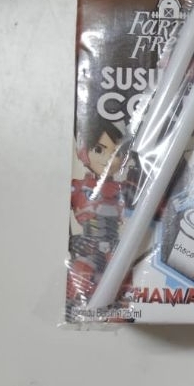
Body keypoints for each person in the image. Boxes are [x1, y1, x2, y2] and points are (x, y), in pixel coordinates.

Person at [65, 116, 138, 320]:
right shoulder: (78, 186)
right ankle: (74, 308)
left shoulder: (122, 188)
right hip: (88, 244)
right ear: (84, 152)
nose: (108, 159)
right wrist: (71, 240)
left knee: (122, 278)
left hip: (114, 245)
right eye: (99, 150)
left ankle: (120, 310)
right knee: (81, 272)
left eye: (116, 153)